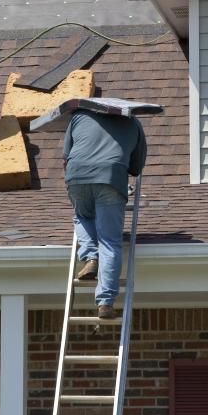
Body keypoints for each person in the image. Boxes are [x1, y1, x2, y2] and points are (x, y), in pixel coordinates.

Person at [64, 109, 147, 320]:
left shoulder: (80, 116)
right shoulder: (132, 121)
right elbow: (136, 168)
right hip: (111, 176)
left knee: (82, 216)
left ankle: (91, 257)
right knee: (109, 241)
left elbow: (66, 155)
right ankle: (105, 302)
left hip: (77, 174)